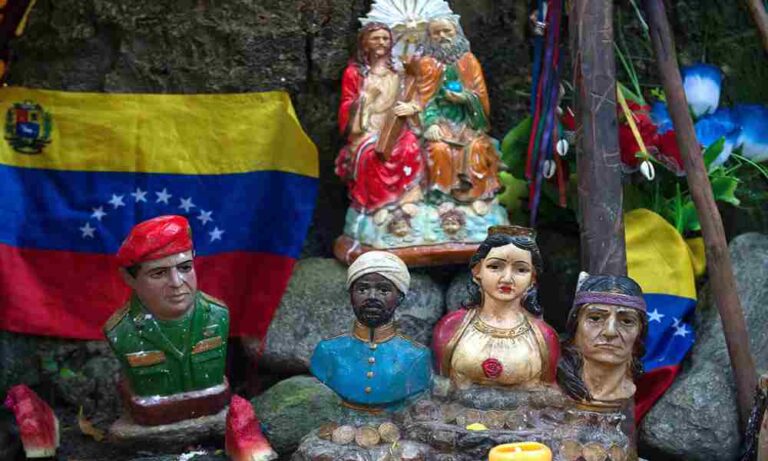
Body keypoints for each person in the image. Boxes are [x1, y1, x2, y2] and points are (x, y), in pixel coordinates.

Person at [103, 215, 229, 424]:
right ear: (130, 278)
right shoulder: (121, 331)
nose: (176, 282)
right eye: (159, 273)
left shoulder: (218, 315)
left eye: (185, 268)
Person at [432, 226, 559, 389]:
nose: (507, 278)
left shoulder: (544, 336)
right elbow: (439, 386)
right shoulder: (451, 327)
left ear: (532, 278)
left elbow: (550, 392)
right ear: (477, 270)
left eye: (521, 270)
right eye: (495, 267)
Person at [310, 251, 431, 411]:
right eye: (362, 290)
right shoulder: (328, 351)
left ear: (400, 297)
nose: (372, 297)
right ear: (351, 296)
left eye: (383, 290)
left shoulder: (416, 357)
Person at [335, 22, 425, 213]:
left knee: (410, 145)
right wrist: (365, 99)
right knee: (370, 155)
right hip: (367, 126)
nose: (381, 42)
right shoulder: (355, 73)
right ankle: (377, 204)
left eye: (385, 38)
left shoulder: (399, 71)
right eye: (376, 38)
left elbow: (416, 98)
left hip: (395, 126)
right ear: (365, 43)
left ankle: (407, 197)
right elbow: (346, 104)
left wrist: (411, 108)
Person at [415, 17, 502, 204]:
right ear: (429, 37)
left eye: (447, 31)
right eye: (436, 33)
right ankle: (441, 193)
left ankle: (474, 191)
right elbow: (423, 98)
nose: (442, 36)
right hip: (440, 121)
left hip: (467, 121)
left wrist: (465, 98)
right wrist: (430, 123)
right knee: (438, 149)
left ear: (457, 33)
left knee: (477, 148)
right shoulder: (426, 64)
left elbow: (480, 94)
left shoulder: (469, 61)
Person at [557, 274, 648, 405]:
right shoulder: (549, 385)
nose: (610, 332)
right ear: (575, 325)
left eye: (627, 321)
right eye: (595, 318)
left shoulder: (634, 390)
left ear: (640, 332)